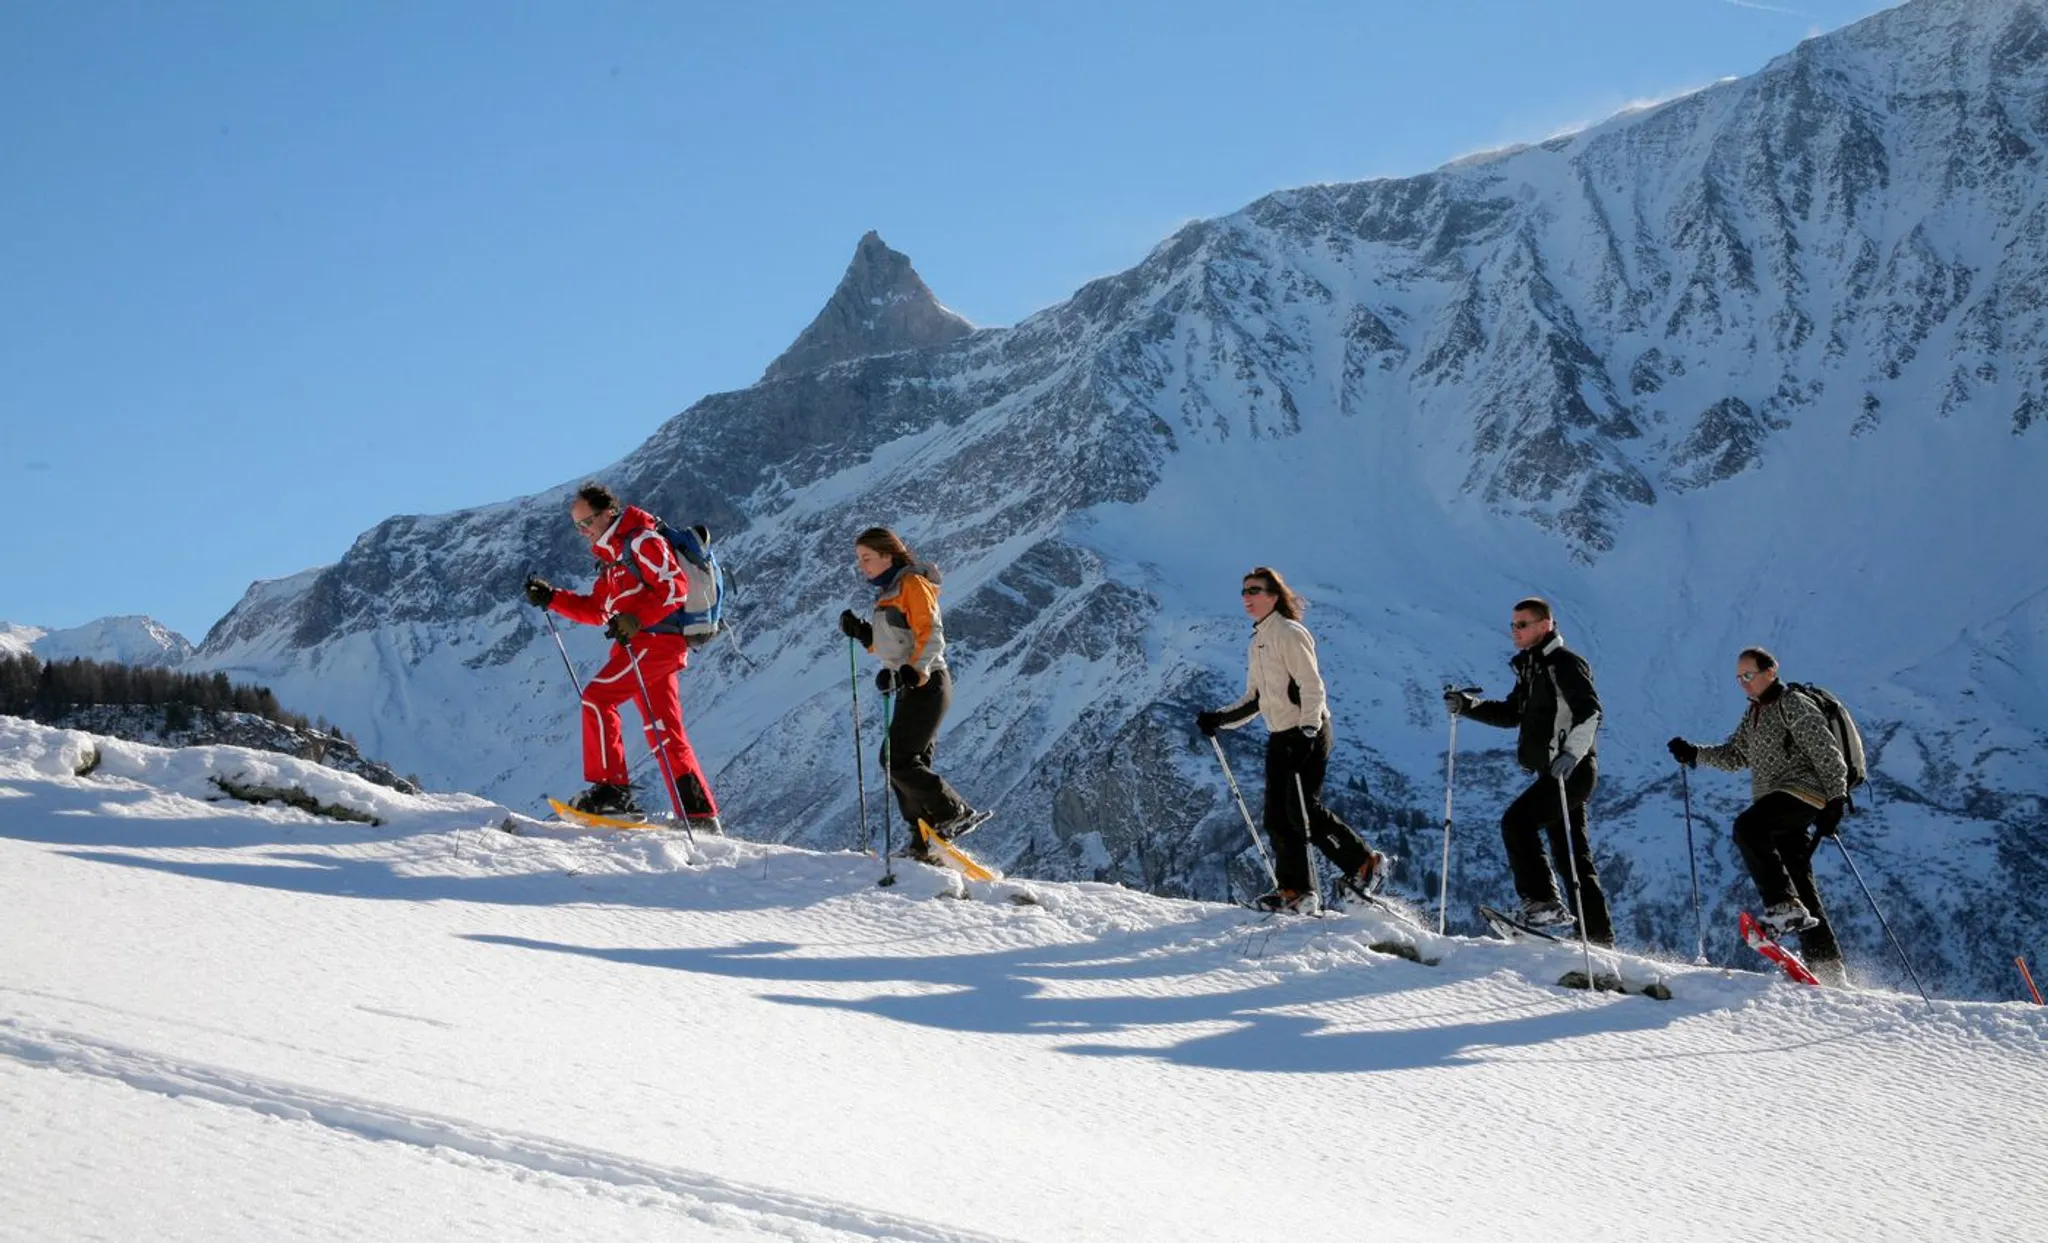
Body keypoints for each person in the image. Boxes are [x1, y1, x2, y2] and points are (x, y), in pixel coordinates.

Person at [522, 483, 721, 830]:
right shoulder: (613, 556)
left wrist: (636, 619)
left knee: (598, 699)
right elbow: (598, 610)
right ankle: (701, 816)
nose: (584, 532)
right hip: (644, 644)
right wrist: (553, 598)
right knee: (664, 732)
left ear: (608, 512)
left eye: (587, 522)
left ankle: (612, 794)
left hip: (654, 643)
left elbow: (675, 587)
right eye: (578, 526)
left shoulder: (642, 540)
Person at [1196, 567, 1384, 915]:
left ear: (1274, 596)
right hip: (1280, 735)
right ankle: (1296, 890)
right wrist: (1219, 719)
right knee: (1277, 817)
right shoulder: (1259, 640)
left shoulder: (1289, 633)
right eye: (1244, 592)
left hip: (1307, 732)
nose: (1247, 597)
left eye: (1255, 590)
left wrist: (1308, 732)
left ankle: (1364, 863)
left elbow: (1312, 687)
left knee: (1302, 810)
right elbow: (1254, 699)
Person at [1667, 647, 1848, 982]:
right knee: (1799, 882)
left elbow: (1827, 751)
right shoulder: (1755, 713)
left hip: (1802, 791)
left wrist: (1837, 799)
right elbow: (1735, 755)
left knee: (1748, 828)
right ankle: (1828, 967)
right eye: (1739, 678)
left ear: (1771, 671)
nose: (1743, 683)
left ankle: (1783, 908)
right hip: (1778, 800)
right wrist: (1694, 753)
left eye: (1748, 675)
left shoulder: (1793, 704)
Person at [1444, 596, 1613, 944]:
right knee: (1572, 856)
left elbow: (1591, 712)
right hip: (1554, 772)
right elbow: (1511, 713)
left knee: (1517, 822)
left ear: (1544, 625)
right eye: (1513, 625)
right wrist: (1468, 706)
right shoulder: (1532, 668)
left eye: (1521, 625)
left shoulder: (1564, 664)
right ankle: (1597, 937)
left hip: (1571, 771)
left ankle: (1542, 904)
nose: (1514, 632)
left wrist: (1571, 754)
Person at [837, 527, 979, 859]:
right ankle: (923, 840)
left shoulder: (912, 585)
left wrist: (916, 670)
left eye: (867, 558)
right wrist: (863, 634)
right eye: (860, 559)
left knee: (895, 759)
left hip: (927, 684)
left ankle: (952, 812)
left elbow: (930, 633)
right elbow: (894, 644)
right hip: (911, 685)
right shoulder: (889, 591)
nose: (862, 566)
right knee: (905, 761)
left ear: (888, 555)